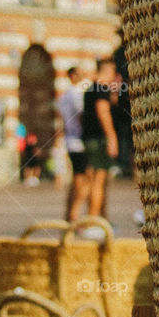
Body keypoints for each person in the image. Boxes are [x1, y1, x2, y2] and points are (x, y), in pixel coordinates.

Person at [82, 58, 119, 221]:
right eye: (113, 72)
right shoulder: (101, 89)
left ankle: (102, 219)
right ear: (108, 71)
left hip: (89, 138)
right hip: (99, 139)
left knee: (95, 180)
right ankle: (93, 220)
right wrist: (111, 137)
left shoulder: (90, 89)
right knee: (99, 180)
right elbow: (102, 111)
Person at [56, 65, 91, 221]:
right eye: (79, 73)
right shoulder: (76, 94)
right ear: (72, 76)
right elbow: (82, 115)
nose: (82, 75)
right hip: (79, 142)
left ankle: (69, 214)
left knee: (76, 180)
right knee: (84, 181)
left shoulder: (64, 96)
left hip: (70, 141)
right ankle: (74, 215)